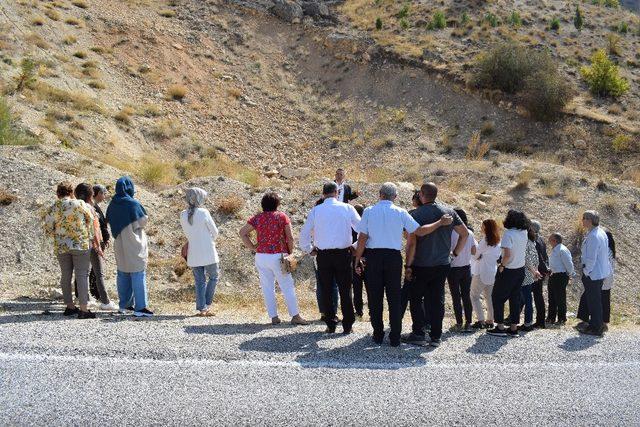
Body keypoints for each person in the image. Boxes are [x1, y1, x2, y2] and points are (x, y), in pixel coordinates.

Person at [403, 182, 469, 347]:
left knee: (416, 298)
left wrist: (408, 265)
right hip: (442, 263)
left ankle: (418, 333)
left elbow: (411, 242)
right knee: (437, 299)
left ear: (421, 195)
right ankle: (436, 336)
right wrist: (455, 253)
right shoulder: (449, 211)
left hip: (421, 263)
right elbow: (465, 234)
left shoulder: (416, 214)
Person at [353, 183, 420, 346]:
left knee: (375, 297)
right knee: (394, 297)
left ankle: (377, 334)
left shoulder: (369, 211)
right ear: (395, 197)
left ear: (380, 194)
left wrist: (357, 259)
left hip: (374, 257)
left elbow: (362, 237)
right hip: (393, 257)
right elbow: (415, 231)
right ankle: (395, 336)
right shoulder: (401, 212)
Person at [299, 182, 361, 334]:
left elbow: (304, 233)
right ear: (336, 191)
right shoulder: (347, 208)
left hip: (323, 255)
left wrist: (309, 249)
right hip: (343, 254)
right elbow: (363, 229)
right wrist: (355, 245)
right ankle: (348, 325)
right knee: (345, 290)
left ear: (323, 193)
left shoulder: (316, 210)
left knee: (326, 290)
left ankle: (330, 324)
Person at [239, 192, 309, 326]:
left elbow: (242, 233)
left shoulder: (257, 218)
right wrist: (290, 252)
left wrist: (253, 247)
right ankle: (295, 316)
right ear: (276, 204)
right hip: (278, 256)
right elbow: (290, 237)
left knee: (267, 287)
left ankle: (274, 317)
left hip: (261, 256)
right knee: (287, 286)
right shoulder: (281, 217)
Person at [42, 181, 96, 319]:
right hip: (80, 244)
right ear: (71, 192)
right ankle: (84, 309)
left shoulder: (54, 207)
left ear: (57, 193)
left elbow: (48, 229)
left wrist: (60, 233)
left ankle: (70, 306)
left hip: (62, 245)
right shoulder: (80, 204)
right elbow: (90, 219)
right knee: (81, 275)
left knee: (65, 274)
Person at [106, 176, 153, 317]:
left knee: (123, 273)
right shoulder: (133, 204)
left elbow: (109, 219)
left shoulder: (112, 204)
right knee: (138, 273)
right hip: (134, 243)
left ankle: (124, 305)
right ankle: (141, 307)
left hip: (119, 242)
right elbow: (143, 221)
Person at [74, 183, 117, 311]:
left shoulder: (74, 207)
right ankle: (105, 301)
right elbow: (96, 229)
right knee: (99, 273)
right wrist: (99, 245)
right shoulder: (90, 208)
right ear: (91, 195)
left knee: (83, 273)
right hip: (92, 244)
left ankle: (85, 299)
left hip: (79, 244)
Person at [487, 210, 529, 337]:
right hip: (520, 269)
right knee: (515, 298)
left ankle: (499, 327)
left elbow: (508, 255)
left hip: (508, 269)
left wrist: (502, 265)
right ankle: (513, 328)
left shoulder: (508, 234)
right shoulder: (524, 232)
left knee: (497, 297)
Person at [180, 188, 220, 316]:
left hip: (193, 252)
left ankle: (202, 307)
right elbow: (215, 232)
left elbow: (188, 234)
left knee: (199, 281)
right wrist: (208, 239)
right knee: (214, 277)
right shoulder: (204, 212)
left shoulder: (182, 214)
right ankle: (207, 305)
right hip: (208, 251)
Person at [576, 211, 611, 336]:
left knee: (594, 301)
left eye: (584, 218)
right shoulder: (599, 232)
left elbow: (591, 258)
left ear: (590, 220)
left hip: (593, 274)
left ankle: (596, 328)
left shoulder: (594, 236)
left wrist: (586, 272)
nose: (582, 220)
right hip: (598, 273)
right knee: (595, 300)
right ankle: (597, 324)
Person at [447, 208, 477, 332]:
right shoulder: (470, 232)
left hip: (453, 268)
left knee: (456, 296)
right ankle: (468, 323)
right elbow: (474, 251)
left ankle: (459, 323)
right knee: (466, 296)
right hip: (466, 268)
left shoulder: (450, 232)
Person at [470, 219, 502, 329]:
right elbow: (497, 257)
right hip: (492, 272)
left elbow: (475, 254)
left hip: (480, 271)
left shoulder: (485, 240)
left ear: (486, 228)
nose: (481, 228)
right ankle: (490, 320)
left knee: (474, 296)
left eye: (482, 226)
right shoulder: (498, 241)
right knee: (489, 297)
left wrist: (477, 255)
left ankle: (480, 320)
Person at [311, 197, 339, 321]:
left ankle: (324, 312)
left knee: (321, 284)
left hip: (318, 253)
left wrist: (310, 248)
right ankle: (332, 312)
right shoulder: (332, 219)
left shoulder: (316, 217)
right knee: (333, 285)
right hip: (331, 253)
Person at [400, 191, 425, 321]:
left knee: (406, 290)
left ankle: (398, 318)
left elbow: (406, 236)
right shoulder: (432, 214)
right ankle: (426, 321)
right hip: (428, 258)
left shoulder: (411, 215)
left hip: (413, 258)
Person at [547, 232, 575, 325]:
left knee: (560, 298)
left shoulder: (562, 250)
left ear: (555, 240)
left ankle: (562, 318)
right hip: (553, 275)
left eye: (550, 239)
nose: (549, 241)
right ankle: (551, 317)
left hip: (560, 276)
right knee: (551, 298)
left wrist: (570, 274)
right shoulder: (555, 249)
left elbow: (569, 264)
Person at [520, 227, 542, 332]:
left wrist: (534, 272)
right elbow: (536, 259)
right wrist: (535, 271)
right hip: (531, 274)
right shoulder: (532, 243)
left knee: (526, 299)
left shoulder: (525, 243)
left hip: (525, 274)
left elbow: (526, 259)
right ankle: (528, 322)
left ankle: (527, 323)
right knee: (527, 299)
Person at [530, 220, 549, 329]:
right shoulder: (541, 239)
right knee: (538, 296)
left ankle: (539, 321)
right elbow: (545, 256)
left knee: (528, 295)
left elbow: (538, 258)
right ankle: (540, 320)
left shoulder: (534, 241)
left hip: (535, 271)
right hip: (540, 270)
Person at [352, 204, 366, 319]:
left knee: (357, 288)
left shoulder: (351, 226)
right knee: (372, 288)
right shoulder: (367, 225)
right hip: (368, 259)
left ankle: (359, 311)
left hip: (355, 258)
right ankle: (372, 312)